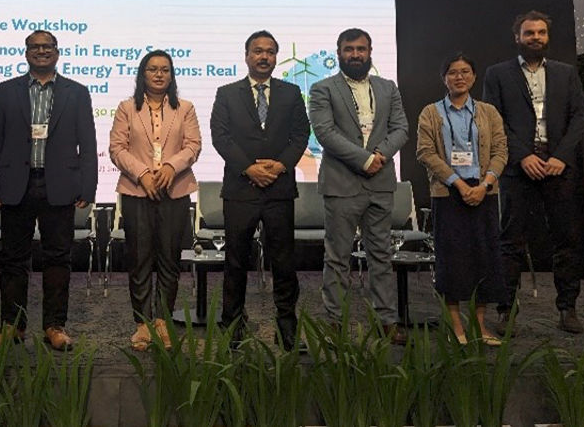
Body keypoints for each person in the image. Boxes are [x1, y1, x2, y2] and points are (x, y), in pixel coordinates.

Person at [0, 30, 97, 349]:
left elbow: (87, 143)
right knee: (13, 258)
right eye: (35, 47)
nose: (41, 51)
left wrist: (89, 186)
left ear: (57, 53)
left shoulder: (77, 92)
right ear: (26, 52)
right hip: (17, 184)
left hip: (59, 184)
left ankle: (55, 326)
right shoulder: (6, 91)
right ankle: (13, 325)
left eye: (47, 47)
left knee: (58, 258)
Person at [483, 10, 584, 335]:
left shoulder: (565, 74)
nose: (536, 38)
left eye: (541, 33)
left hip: (559, 169)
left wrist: (560, 156)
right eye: (529, 33)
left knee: (567, 241)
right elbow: (493, 119)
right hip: (518, 170)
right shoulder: (497, 74)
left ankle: (568, 308)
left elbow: (579, 117)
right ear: (518, 37)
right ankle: (505, 311)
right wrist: (523, 156)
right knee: (510, 243)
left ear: (547, 37)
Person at [210, 30, 310, 351]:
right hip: (240, 189)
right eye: (257, 51)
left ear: (276, 57)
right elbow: (220, 137)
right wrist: (249, 168)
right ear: (247, 56)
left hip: (279, 189)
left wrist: (280, 166)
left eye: (269, 51)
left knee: (283, 261)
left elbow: (300, 135)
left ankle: (287, 327)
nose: (263, 56)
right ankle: (233, 325)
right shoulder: (226, 93)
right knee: (236, 261)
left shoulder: (292, 93)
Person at [308, 28, 409, 345]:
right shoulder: (322, 88)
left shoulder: (387, 87)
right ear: (338, 53)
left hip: (380, 185)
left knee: (381, 256)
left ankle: (387, 321)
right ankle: (335, 323)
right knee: (337, 258)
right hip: (342, 184)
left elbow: (401, 127)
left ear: (370, 51)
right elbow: (325, 132)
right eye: (349, 49)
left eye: (361, 49)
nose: (355, 54)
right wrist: (365, 160)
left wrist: (381, 155)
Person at [109, 50, 202, 351]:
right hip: (138, 191)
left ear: (172, 75)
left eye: (165, 69)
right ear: (142, 74)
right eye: (152, 69)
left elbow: (193, 146)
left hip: (174, 190)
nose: (159, 74)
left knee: (169, 259)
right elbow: (117, 148)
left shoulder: (185, 108)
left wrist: (170, 167)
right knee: (139, 259)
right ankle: (142, 324)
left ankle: (162, 322)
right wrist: (143, 174)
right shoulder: (126, 108)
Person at [416, 53, 507, 345]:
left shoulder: (489, 112)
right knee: (452, 260)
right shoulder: (431, 112)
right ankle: (456, 326)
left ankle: (479, 326)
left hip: (484, 192)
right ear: (444, 78)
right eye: (453, 72)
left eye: (465, 71)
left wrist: (485, 184)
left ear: (474, 76)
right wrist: (457, 183)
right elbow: (425, 152)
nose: (459, 76)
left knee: (485, 258)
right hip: (448, 194)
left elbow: (501, 152)